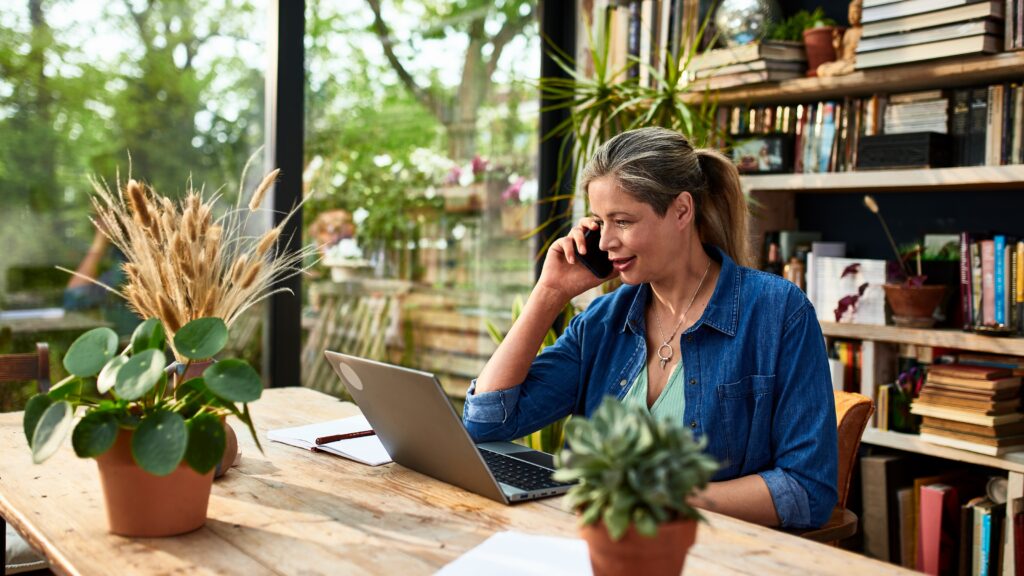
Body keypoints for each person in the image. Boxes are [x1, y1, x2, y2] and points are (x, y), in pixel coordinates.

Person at [462, 127, 838, 529]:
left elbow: (805, 490)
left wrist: (662, 497)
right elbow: (485, 423)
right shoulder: (603, 322)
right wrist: (549, 292)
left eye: (622, 221)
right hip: (594, 548)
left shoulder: (776, 312)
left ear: (681, 211)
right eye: (599, 222)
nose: (605, 242)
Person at [818, 0, 862, 77]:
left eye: (854, 12)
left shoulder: (863, 31)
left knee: (856, 66)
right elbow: (841, 57)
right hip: (844, 62)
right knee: (821, 69)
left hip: (855, 62)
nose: (851, 16)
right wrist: (838, 47)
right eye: (849, 13)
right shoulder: (848, 32)